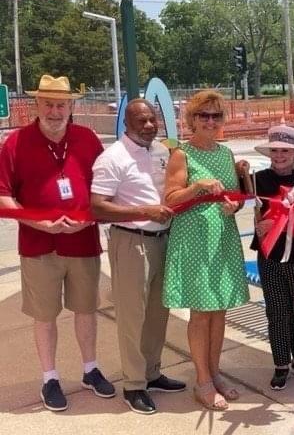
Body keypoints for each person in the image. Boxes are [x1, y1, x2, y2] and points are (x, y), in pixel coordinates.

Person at [0, 74, 114, 412]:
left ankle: (90, 370)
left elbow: (105, 189)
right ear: (36, 105)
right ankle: (50, 377)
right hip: (38, 246)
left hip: (83, 242)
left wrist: (91, 217)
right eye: (48, 103)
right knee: (45, 315)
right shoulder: (15, 143)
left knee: (86, 310)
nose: (55, 111)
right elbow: (3, 195)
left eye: (61, 104)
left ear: (71, 106)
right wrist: (39, 223)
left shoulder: (88, 139)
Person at [91, 99, 186, 415]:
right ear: (127, 124)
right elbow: (98, 207)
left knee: (159, 312)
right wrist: (143, 211)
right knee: (132, 317)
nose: (148, 125)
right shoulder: (112, 158)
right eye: (140, 121)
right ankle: (133, 386)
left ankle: (151, 373)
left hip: (163, 240)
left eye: (151, 119)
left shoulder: (161, 151)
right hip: (132, 242)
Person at [163, 89, 249, 410]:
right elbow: (170, 199)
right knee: (200, 313)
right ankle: (202, 380)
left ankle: (214, 373)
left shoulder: (225, 155)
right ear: (192, 120)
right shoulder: (182, 155)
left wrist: (233, 206)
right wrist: (197, 186)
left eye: (216, 116)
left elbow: (235, 197)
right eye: (204, 116)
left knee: (219, 310)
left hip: (222, 237)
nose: (210, 122)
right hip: (195, 239)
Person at [251, 125, 294, 390]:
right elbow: (256, 213)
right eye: (275, 150)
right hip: (271, 255)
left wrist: (282, 217)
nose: (279, 155)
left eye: (285, 151)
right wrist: (263, 223)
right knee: (277, 311)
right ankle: (280, 363)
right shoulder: (258, 179)